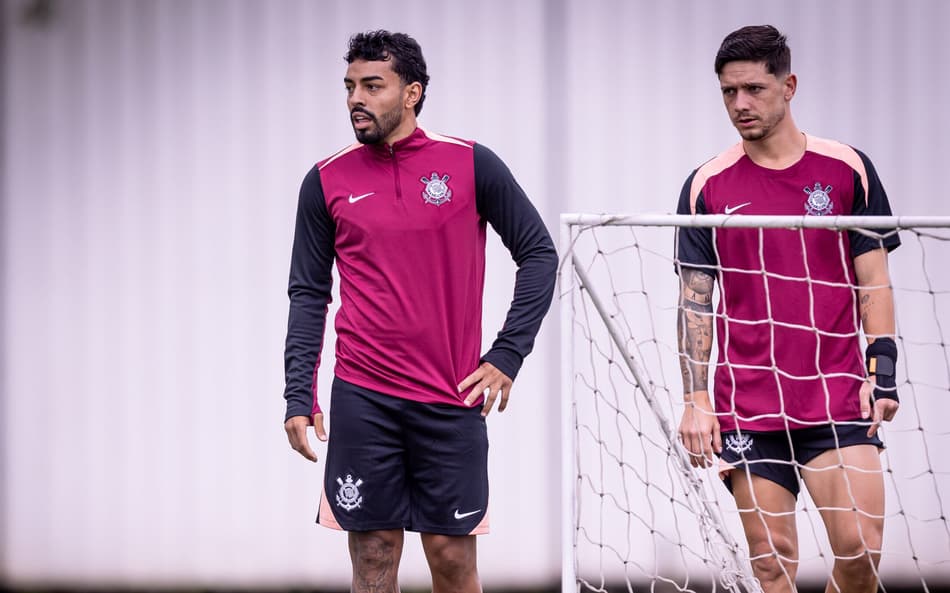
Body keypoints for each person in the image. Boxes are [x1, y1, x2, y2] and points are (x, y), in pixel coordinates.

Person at [282, 30, 557, 593]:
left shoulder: (470, 164)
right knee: (374, 558)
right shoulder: (325, 180)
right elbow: (309, 293)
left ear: (412, 92)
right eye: (350, 86)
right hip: (363, 396)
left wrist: (507, 355)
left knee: (452, 561)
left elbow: (539, 254)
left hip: (450, 395)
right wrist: (297, 394)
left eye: (373, 85)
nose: (357, 98)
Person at [675, 25, 900, 593]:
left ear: (789, 85)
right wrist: (696, 400)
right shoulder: (706, 185)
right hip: (749, 399)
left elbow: (873, 280)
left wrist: (884, 373)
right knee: (772, 562)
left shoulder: (847, 167)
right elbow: (695, 300)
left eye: (753, 88)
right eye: (728, 92)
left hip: (836, 390)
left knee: (862, 551)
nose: (740, 104)